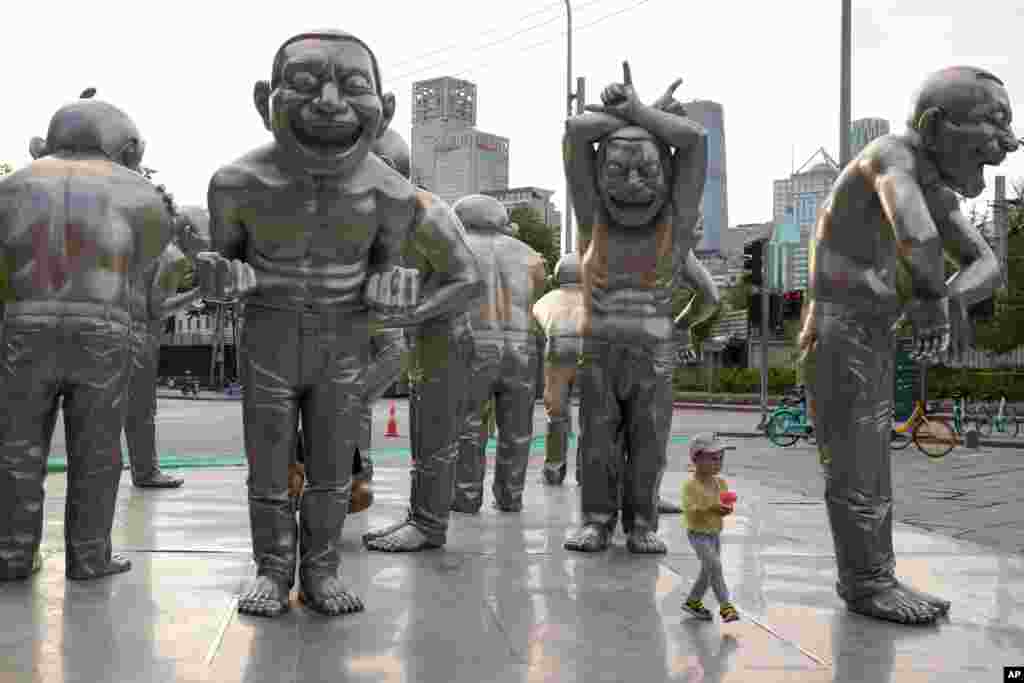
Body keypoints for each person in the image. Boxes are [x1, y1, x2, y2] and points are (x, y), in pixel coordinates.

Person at [206, 30, 429, 617]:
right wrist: (218, 280)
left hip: (344, 340)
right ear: (264, 100)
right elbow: (224, 267)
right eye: (304, 85)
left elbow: (389, 276)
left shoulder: (393, 196)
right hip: (268, 337)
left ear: (385, 111)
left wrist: (392, 288)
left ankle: (322, 568)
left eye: (353, 88)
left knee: (332, 466)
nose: (329, 101)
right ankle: (273, 570)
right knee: (270, 464)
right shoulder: (236, 184)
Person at [799, 65, 1018, 625]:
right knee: (856, 462)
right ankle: (867, 583)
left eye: (1009, 127)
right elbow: (917, 236)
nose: (1006, 144)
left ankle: (877, 574)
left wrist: (944, 300)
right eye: (993, 127)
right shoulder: (890, 156)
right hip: (838, 326)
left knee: (873, 461)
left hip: (870, 330)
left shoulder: (930, 182)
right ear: (935, 124)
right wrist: (928, 300)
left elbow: (988, 265)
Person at [0, 90, 176, 580]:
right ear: (128, 146)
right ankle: (89, 554)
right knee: (97, 449)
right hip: (102, 328)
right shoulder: (140, 192)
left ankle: (12, 553)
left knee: (16, 446)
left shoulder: (10, 187)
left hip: (23, 323)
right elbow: (144, 262)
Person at [562, 62, 719, 554]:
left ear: (666, 176)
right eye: (617, 169)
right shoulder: (593, 221)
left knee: (648, 446)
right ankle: (596, 520)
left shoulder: (674, 226)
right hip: (600, 350)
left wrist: (637, 112)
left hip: (653, 355)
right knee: (596, 442)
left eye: (647, 170)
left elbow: (694, 141)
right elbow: (573, 132)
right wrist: (634, 117)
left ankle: (642, 525)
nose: (633, 182)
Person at [362, 128, 484, 552]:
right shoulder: (387, 216)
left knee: (435, 437)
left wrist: (410, 314)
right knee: (423, 435)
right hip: (426, 335)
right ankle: (420, 518)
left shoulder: (426, 213)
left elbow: (469, 280)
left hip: (446, 335)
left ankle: (429, 525)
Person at [450, 195, 546, 513]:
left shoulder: (456, 244)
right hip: (521, 345)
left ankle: (465, 495)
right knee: (517, 429)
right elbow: (536, 294)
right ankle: (510, 495)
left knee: (468, 424)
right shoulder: (531, 255)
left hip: (472, 342)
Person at [681, 433, 738, 623]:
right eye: (713, 458)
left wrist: (725, 509)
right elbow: (690, 511)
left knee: (707, 572)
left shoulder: (720, 483)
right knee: (715, 566)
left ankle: (693, 601)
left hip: (714, 534)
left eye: (721, 458)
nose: (718, 463)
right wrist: (710, 508)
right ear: (696, 459)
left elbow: (722, 506)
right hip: (698, 535)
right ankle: (726, 606)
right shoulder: (691, 486)